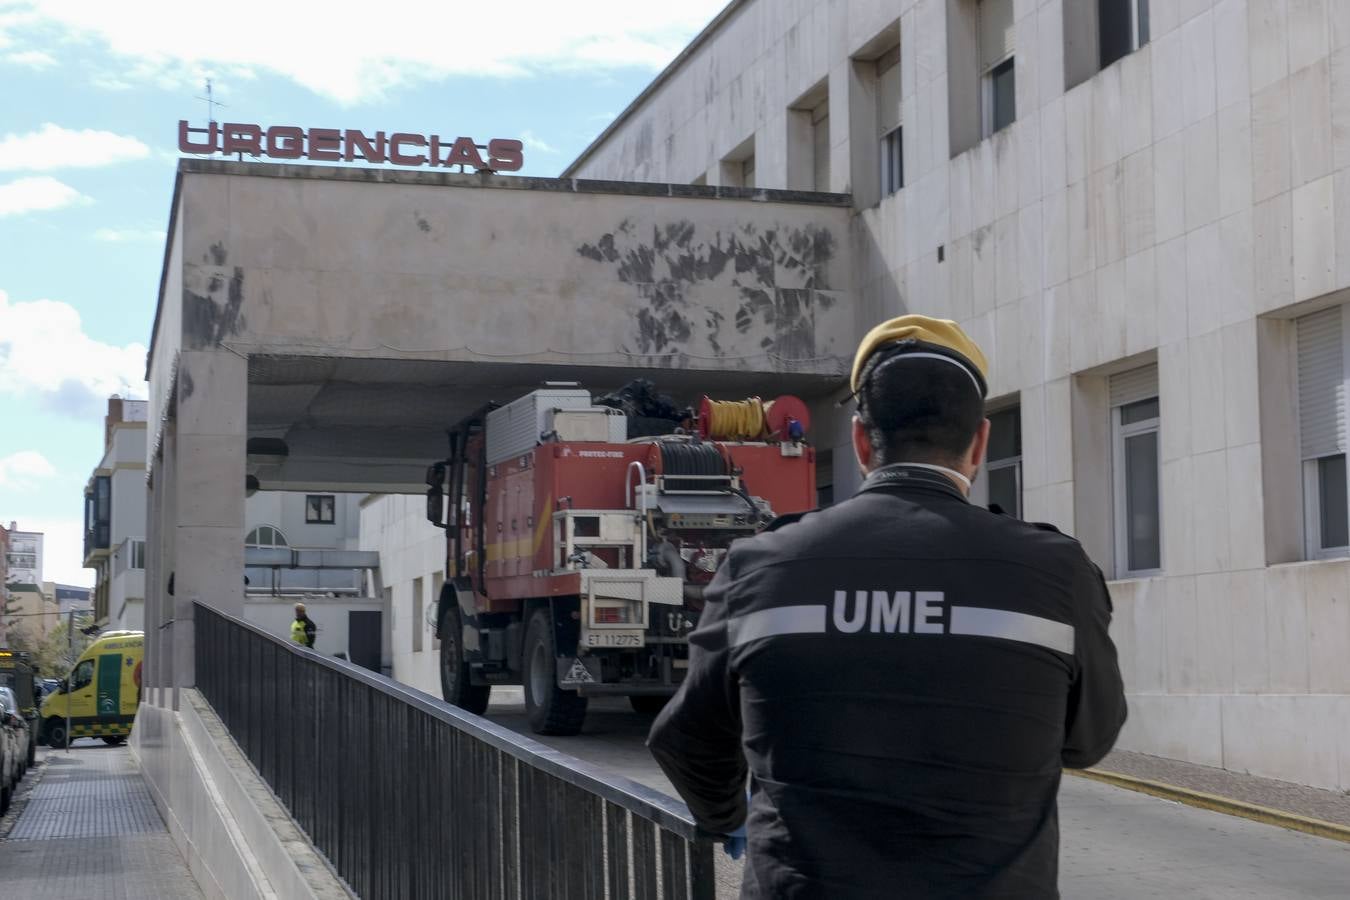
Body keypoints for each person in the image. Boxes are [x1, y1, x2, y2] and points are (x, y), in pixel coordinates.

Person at [648, 315, 1127, 899]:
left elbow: (685, 738)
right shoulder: (1056, 574)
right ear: (980, 440)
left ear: (858, 440)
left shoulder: (762, 568)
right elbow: (1088, 740)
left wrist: (728, 817)